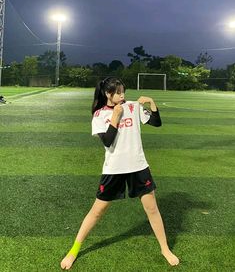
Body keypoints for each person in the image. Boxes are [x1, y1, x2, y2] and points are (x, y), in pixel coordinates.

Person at [61, 77, 179, 270]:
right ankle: (74, 249)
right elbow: (107, 141)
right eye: (118, 92)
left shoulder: (133, 107)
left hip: (138, 166)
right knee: (97, 211)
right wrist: (115, 116)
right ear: (108, 94)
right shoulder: (99, 115)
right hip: (114, 169)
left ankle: (165, 249)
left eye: (123, 91)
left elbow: (156, 123)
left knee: (152, 209)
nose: (123, 95)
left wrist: (152, 103)